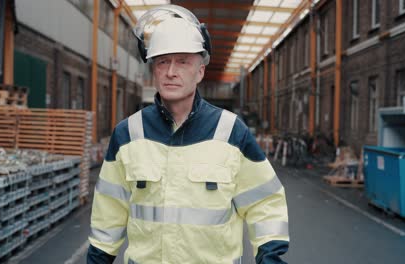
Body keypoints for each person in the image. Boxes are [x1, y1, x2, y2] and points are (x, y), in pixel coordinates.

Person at [87, 5, 289, 264]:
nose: (171, 71)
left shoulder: (230, 132)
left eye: (182, 61)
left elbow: (265, 204)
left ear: (200, 71)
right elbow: (108, 213)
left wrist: (270, 259)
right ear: (154, 70)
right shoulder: (128, 133)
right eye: (163, 61)